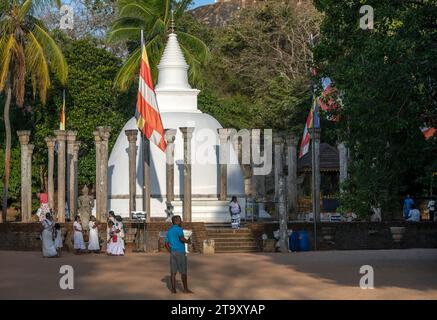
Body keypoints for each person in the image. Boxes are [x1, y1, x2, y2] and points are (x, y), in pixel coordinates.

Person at [165, 215, 193, 294]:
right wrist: (188, 241)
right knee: (183, 272)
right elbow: (181, 239)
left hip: (173, 252)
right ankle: (185, 289)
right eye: (180, 220)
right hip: (180, 252)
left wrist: (171, 251)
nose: (181, 222)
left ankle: (173, 290)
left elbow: (166, 244)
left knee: (173, 272)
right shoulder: (179, 229)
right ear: (176, 221)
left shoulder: (169, 231)